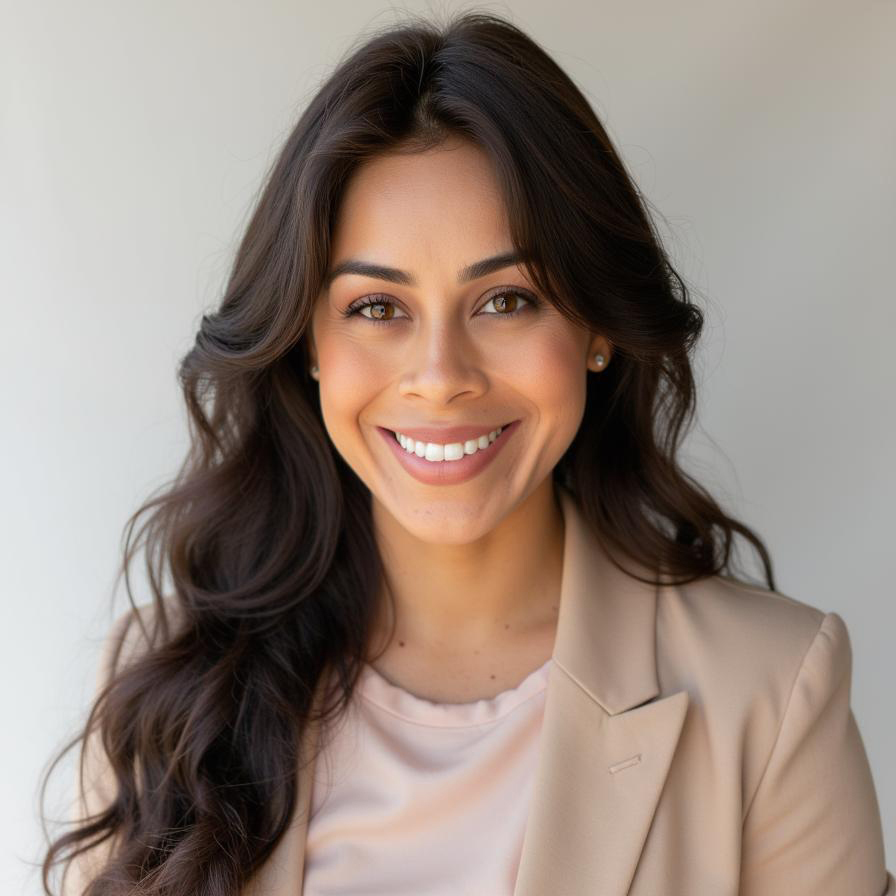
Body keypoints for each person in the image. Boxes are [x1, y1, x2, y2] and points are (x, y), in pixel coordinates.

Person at [40, 10, 893, 896]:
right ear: (308, 343)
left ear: (597, 326)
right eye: (377, 307)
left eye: (507, 300)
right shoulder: (165, 683)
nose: (440, 377)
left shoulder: (771, 690)